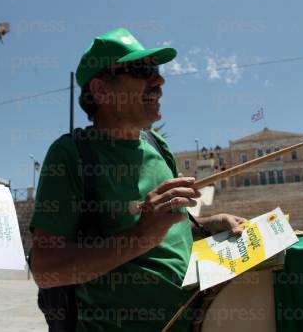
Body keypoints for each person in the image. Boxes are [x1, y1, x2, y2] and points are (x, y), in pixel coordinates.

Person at [29, 28, 247, 331]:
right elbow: (45, 268)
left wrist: (211, 225)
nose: (159, 81)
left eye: (155, 70)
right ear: (102, 90)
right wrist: (140, 237)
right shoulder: (71, 155)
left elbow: (170, 232)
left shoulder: (159, 147)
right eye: (143, 70)